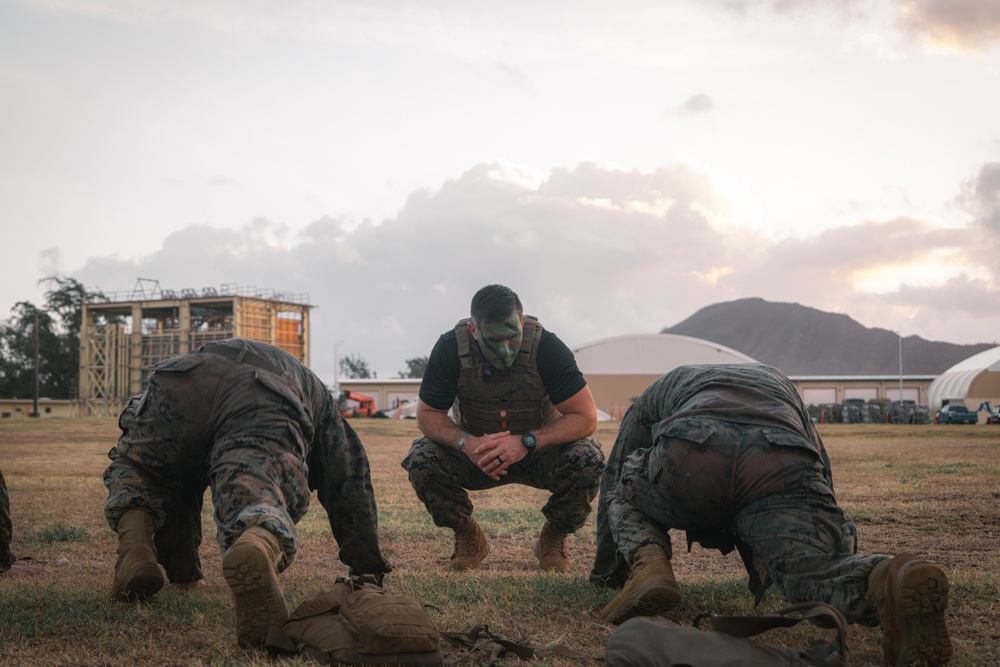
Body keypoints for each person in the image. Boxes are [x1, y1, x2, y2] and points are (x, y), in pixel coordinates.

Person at [591, 363, 952, 667]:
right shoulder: (780, 383)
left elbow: (617, 466)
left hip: (692, 451)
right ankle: (881, 577)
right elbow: (820, 470)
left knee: (623, 491)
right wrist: (830, 548)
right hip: (779, 456)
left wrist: (607, 572)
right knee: (806, 569)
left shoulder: (666, 386)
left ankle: (650, 564)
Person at [103, 338, 392, 648]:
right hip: (261, 393)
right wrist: (367, 569)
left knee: (143, 468)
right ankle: (257, 542)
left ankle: (139, 549)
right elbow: (349, 480)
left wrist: (184, 572)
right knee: (255, 492)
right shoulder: (321, 403)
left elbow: (177, 478)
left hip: (183, 378)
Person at [401, 284, 605, 572]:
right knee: (422, 457)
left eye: (512, 338)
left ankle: (554, 536)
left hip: (537, 454)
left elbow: (586, 417)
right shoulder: (450, 348)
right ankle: (468, 535)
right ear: (474, 331)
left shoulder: (548, 347)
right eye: (493, 340)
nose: (505, 350)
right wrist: (466, 443)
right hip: (477, 455)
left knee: (588, 457)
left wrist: (526, 442)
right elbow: (427, 415)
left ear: (522, 322)